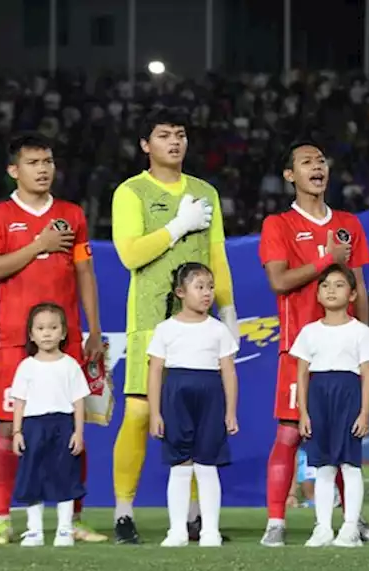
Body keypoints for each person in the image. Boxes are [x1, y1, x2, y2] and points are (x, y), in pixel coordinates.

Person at [111, 109, 237, 544]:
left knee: (198, 419)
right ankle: (124, 511)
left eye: (180, 134)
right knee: (141, 413)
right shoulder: (131, 192)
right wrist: (178, 226)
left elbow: (216, 255)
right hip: (149, 319)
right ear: (146, 145)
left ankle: (195, 517)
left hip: (200, 325)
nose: (174, 142)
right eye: (163, 135)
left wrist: (229, 310)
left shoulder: (206, 191)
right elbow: (129, 255)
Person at [258, 140, 369, 546]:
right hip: (301, 349)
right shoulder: (278, 224)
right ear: (289, 175)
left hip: (345, 354)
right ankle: (276, 522)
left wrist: (363, 335)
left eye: (321, 160)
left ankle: (353, 520)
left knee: (348, 437)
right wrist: (327, 260)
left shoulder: (348, 222)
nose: (317, 167)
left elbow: (361, 287)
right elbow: (279, 281)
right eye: (306, 161)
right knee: (289, 435)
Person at [0, 133, 106, 544]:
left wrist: (94, 329)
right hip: (14, 339)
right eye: (33, 162)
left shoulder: (72, 214)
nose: (43, 168)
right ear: (14, 170)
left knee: (73, 423)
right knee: (7, 428)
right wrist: (40, 245)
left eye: (48, 160)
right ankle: (2, 519)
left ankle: (77, 518)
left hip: (67, 340)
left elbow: (84, 271)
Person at [145, 263, 239, 547]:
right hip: (176, 398)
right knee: (180, 465)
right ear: (181, 292)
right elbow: (155, 372)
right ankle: (177, 531)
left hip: (211, 398)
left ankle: (210, 530)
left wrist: (231, 411)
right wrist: (155, 413)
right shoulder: (165, 329)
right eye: (199, 287)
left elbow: (228, 372)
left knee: (207, 464)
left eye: (210, 287)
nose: (207, 293)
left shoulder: (219, 330)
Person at [291, 264, 369, 548]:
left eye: (339, 285)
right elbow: (302, 374)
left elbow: (367, 374)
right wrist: (303, 412)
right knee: (323, 466)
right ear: (317, 294)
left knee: (350, 465)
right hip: (319, 398)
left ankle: (351, 526)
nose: (331, 290)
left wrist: (365, 412)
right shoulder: (309, 332)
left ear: (353, 294)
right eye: (326, 285)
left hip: (348, 397)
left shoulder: (360, 332)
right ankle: (323, 527)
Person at [9, 303, 89, 547]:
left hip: (63, 425)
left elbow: (78, 402)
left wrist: (78, 433)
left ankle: (64, 530)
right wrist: (17, 432)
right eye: (41, 328)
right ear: (31, 334)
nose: (47, 333)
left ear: (63, 332)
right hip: (33, 428)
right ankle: (35, 530)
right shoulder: (26, 367)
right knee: (33, 477)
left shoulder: (70, 365)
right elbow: (19, 403)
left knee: (64, 476)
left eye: (53, 328)